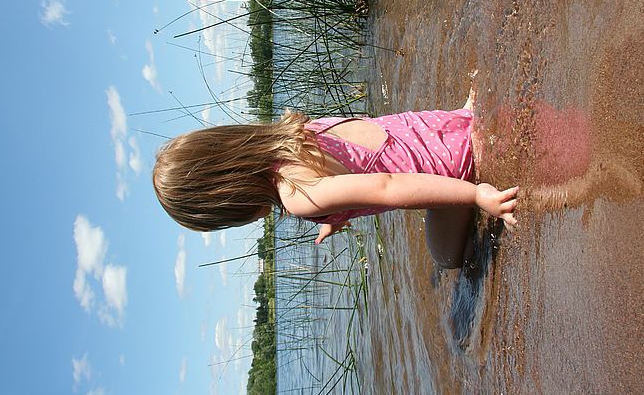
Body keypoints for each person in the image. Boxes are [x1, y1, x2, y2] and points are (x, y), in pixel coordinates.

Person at [151, 90, 518, 269]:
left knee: (447, 259)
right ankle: (465, 119)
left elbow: (386, 186)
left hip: (452, 166)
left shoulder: (298, 196)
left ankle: (474, 189)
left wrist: (474, 195)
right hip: (442, 126)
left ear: (231, 201)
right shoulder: (292, 133)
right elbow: (374, 149)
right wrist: (332, 218)